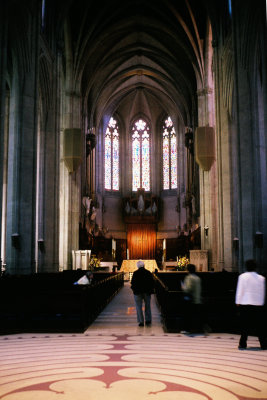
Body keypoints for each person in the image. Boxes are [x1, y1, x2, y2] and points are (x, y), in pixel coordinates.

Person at [235, 259, 267, 350]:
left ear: (246, 266)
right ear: (255, 267)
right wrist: (261, 302)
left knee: (245, 326)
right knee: (260, 326)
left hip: (245, 304)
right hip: (257, 304)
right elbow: (262, 292)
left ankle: (242, 344)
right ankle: (264, 344)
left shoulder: (242, 277)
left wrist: (238, 302)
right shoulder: (261, 278)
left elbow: (240, 290)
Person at [131, 260, 154, 327]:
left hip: (137, 292)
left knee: (138, 307)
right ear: (144, 265)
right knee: (147, 306)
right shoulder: (148, 272)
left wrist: (134, 290)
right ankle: (148, 320)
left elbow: (133, 283)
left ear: (137, 266)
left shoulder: (135, 273)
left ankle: (141, 321)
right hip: (147, 292)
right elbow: (152, 282)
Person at [181, 263, 202, 333]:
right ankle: (198, 329)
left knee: (187, 315)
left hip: (190, 300)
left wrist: (183, 286)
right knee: (196, 315)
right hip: (198, 299)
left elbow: (188, 289)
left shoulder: (189, 277)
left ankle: (187, 329)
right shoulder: (198, 278)